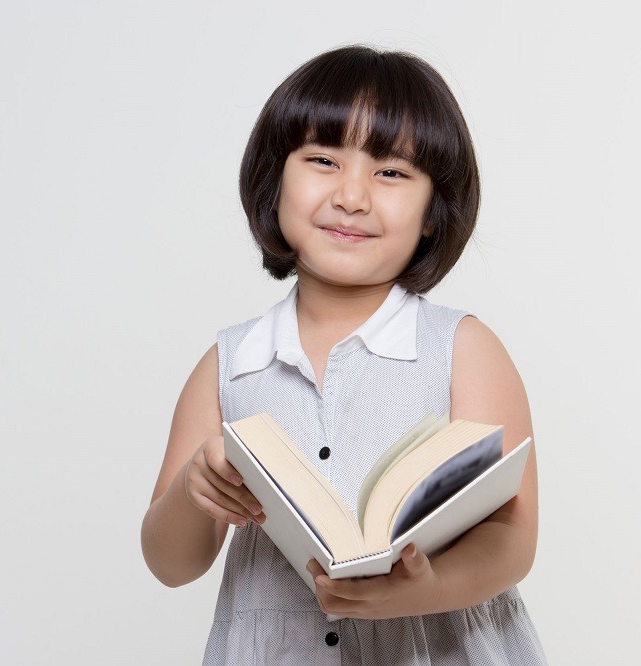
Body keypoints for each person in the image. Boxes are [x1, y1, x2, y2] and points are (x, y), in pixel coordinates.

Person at [140, 45, 547, 665]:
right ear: (275, 179)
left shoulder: (463, 350)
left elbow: (512, 539)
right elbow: (171, 564)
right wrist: (195, 488)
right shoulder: (229, 365)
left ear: (434, 211)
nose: (352, 197)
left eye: (391, 173)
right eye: (324, 160)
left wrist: (426, 589)